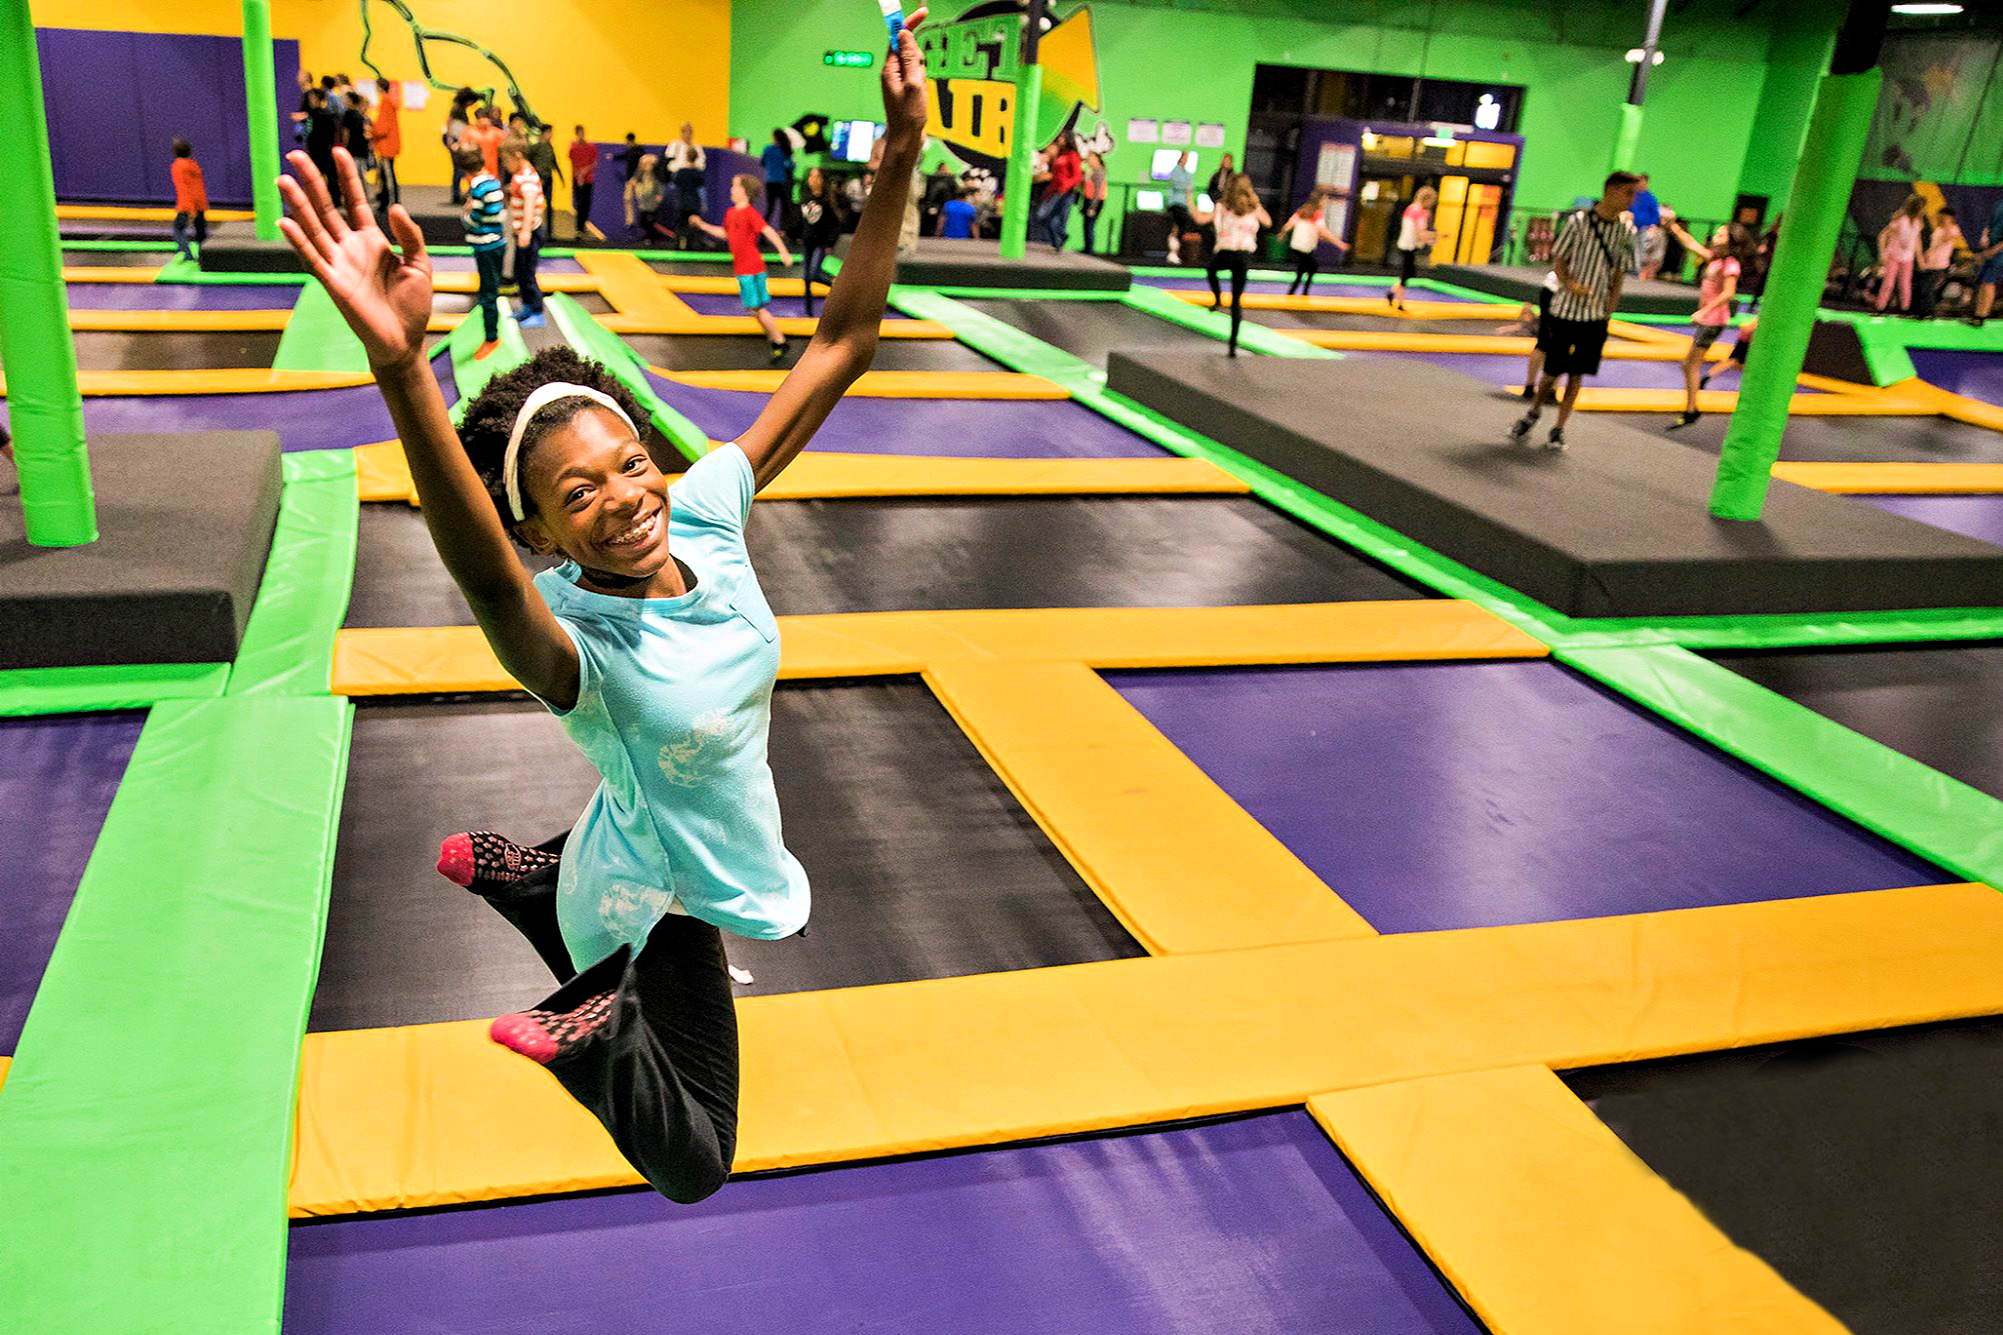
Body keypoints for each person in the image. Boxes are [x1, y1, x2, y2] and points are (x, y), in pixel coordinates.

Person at [272, 13, 933, 1207]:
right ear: (538, 532)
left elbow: (841, 341)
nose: (626, 500)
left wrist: (896, 154)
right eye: (578, 494)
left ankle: (530, 875)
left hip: (629, 833)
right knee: (693, 1158)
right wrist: (399, 368)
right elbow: (481, 577)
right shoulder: (580, 645)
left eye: (632, 462)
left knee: (622, 916)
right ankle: (589, 1030)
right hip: (652, 887)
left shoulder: (707, 512)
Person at [1509, 172, 1639, 451]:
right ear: (1611, 191)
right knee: (1552, 371)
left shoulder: (1625, 232)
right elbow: (1559, 261)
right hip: (1565, 311)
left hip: (1595, 318)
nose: (1633, 199)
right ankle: (1533, 412)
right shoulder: (1578, 222)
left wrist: (1611, 306)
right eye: (1629, 193)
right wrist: (1570, 283)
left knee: (1577, 373)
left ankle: (1559, 427)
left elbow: (1618, 274)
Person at [689, 172, 796, 360]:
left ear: (743, 191)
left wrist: (783, 251)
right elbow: (724, 233)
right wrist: (702, 225)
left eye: (734, 186)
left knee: (757, 309)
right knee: (755, 310)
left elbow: (768, 231)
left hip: (751, 268)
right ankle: (776, 342)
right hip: (743, 268)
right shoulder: (731, 213)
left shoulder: (750, 213)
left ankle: (779, 341)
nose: (731, 189)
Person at [1663, 215, 1747, 429]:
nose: (1716, 236)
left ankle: (1692, 409)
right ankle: (1692, 408)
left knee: (1691, 364)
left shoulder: (1730, 265)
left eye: (1721, 234)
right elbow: (1691, 244)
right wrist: (1674, 227)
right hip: (1708, 319)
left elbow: (1729, 293)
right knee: (1688, 364)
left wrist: (1705, 311)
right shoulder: (1715, 259)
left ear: (1730, 241)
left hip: (1713, 320)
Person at [1194, 174, 1269, 357]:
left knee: (1211, 270)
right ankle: (1232, 346)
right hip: (1243, 256)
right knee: (1236, 302)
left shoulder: (1223, 206)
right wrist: (1256, 201)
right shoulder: (1253, 206)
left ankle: (1218, 298)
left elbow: (1208, 223)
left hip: (1226, 253)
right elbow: (1268, 222)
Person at [455, 142, 507, 359]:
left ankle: (491, 338)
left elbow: (475, 220)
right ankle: (492, 333)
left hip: (486, 245)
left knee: (487, 293)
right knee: (490, 288)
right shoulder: (493, 181)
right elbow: (497, 213)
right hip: (497, 242)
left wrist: (465, 214)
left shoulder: (477, 188)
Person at [503, 139, 547, 328]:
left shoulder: (527, 177)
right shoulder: (521, 175)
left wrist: (526, 231)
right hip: (523, 231)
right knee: (520, 272)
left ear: (518, 155)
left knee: (527, 272)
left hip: (530, 231)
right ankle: (527, 306)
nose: (505, 165)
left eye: (506, 160)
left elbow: (530, 202)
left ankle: (537, 311)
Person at [795, 166, 845, 317]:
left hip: (821, 242)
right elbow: (802, 221)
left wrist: (830, 243)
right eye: (811, 176)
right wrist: (792, 233)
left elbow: (835, 224)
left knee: (814, 274)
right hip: (807, 242)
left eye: (817, 177)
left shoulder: (827, 200)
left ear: (823, 180)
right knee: (807, 279)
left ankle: (836, 284)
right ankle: (808, 311)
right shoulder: (806, 197)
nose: (813, 180)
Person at [1281, 188, 1349, 295]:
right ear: (1320, 201)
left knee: (1303, 270)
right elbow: (1323, 231)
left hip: (1298, 246)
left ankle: (1293, 292)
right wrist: (1339, 243)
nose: (1325, 203)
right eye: (1324, 200)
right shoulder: (1316, 214)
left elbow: (1289, 224)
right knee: (1312, 267)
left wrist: (1282, 233)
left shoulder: (1301, 211)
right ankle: (1303, 293)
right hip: (1305, 248)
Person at [1388, 185, 1436, 309]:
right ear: (1426, 199)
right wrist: (1435, 237)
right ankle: (1400, 301)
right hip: (1409, 246)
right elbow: (1421, 232)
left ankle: (1393, 293)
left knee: (1408, 273)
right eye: (1431, 201)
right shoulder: (1419, 212)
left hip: (1405, 244)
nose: (1431, 204)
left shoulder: (1411, 209)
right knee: (1406, 274)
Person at [1876, 194, 1925, 315]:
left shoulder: (1918, 223)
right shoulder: (1900, 219)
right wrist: (1883, 252)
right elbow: (1883, 236)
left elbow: (1917, 240)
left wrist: (1920, 259)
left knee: (1905, 284)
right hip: (1893, 255)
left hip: (1907, 257)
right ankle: (1880, 308)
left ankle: (1904, 309)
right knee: (1889, 283)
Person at [1031, 134, 1082, 250]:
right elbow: (1056, 175)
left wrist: (1065, 185)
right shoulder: (1061, 155)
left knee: (1056, 218)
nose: (1059, 140)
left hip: (1065, 192)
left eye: (1062, 138)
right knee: (1043, 215)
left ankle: (1058, 240)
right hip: (1055, 190)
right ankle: (1059, 238)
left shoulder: (1072, 155)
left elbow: (1077, 176)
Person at [667, 124, 707, 249]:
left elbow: (701, 167)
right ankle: (681, 242)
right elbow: (669, 165)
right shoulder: (676, 146)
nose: (688, 135)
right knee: (682, 220)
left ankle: (691, 243)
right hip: (685, 194)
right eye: (685, 132)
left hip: (689, 195)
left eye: (690, 132)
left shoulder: (697, 148)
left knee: (690, 219)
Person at [1917, 206, 1962, 320]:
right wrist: (1926, 255)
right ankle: (1923, 313)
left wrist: (1947, 223)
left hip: (1940, 265)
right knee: (1924, 288)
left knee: (1928, 289)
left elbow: (1947, 238)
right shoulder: (1938, 229)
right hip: (1930, 264)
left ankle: (1930, 314)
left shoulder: (1953, 229)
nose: (1939, 218)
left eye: (1942, 217)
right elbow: (1934, 246)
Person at [169, 138, 208, 261]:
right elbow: (198, 185)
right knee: (200, 231)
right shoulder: (193, 164)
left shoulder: (178, 166)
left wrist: (189, 209)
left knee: (178, 228)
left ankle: (187, 254)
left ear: (175, 152)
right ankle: (205, 257)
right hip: (200, 202)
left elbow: (183, 188)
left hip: (187, 204)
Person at [368, 78, 402, 211]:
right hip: (389, 144)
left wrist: (372, 131)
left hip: (386, 145)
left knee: (387, 175)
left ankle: (392, 201)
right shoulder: (389, 101)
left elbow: (383, 126)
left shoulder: (385, 102)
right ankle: (386, 200)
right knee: (385, 174)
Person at [1971, 195, 2003, 326]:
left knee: (1989, 281)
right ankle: (1977, 314)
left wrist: (1993, 251)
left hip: (1999, 251)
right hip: (1990, 246)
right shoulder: (1999, 203)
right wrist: (1984, 236)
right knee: (1983, 280)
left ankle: (1982, 316)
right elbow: (1989, 224)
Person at [444, 88, 478, 203]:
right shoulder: (457, 108)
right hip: (454, 138)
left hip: (456, 137)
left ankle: (457, 195)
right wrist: (450, 139)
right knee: (458, 168)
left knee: (459, 168)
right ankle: (456, 196)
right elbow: (449, 121)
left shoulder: (460, 108)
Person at [1164, 149, 1197, 264]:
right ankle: (1172, 251)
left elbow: (1190, 188)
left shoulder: (1188, 173)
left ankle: (1176, 251)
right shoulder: (1175, 171)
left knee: (1181, 228)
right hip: (1176, 204)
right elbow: (1180, 185)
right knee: (1176, 227)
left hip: (1185, 204)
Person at [1631, 173, 1665, 279]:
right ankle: (1632, 267)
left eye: (1642, 181)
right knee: (1632, 247)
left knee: (1642, 248)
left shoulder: (1650, 198)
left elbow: (1655, 213)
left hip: (1645, 227)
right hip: (1633, 226)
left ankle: (1639, 269)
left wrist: (1652, 224)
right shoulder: (1633, 196)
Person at [760, 129, 794, 230]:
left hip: (770, 182)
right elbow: (790, 166)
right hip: (782, 183)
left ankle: (762, 235)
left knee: (769, 210)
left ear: (775, 138)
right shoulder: (785, 150)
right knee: (787, 209)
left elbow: (762, 163)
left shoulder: (767, 149)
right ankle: (787, 232)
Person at [568, 125, 597, 241]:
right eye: (579, 133)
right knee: (579, 205)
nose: (581, 135)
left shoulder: (591, 147)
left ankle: (582, 226)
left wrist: (584, 172)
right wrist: (578, 176)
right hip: (578, 180)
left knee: (586, 204)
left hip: (588, 179)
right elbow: (573, 163)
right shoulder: (573, 147)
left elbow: (594, 163)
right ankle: (579, 228)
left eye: (582, 132)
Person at [625, 152, 663, 240]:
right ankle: (647, 234)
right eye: (643, 164)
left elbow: (659, 186)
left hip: (651, 202)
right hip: (643, 203)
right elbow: (634, 183)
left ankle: (650, 237)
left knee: (650, 219)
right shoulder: (640, 174)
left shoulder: (655, 177)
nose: (644, 166)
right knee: (642, 220)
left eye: (647, 164)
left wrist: (659, 195)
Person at [1079, 152, 1107, 255]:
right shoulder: (1091, 171)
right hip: (1088, 199)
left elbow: (1097, 190)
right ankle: (1087, 247)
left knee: (1089, 225)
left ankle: (1089, 249)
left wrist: (1092, 207)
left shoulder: (1099, 172)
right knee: (1086, 225)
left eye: (1091, 158)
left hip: (1095, 201)